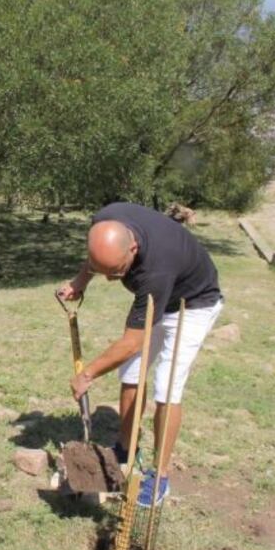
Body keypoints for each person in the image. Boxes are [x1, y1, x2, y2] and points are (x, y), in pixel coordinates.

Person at [58, 202, 223, 507]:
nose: (111, 279)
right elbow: (95, 258)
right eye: (106, 272)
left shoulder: (154, 271)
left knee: (166, 387)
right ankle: (125, 449)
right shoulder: (104, 221)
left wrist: (88, 373)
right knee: (131, 373)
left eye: (117, 271)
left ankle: (160, 477)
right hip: (159, 298)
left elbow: (132, 343)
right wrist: (80, 281)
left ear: (133, 248)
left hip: (192, 304)